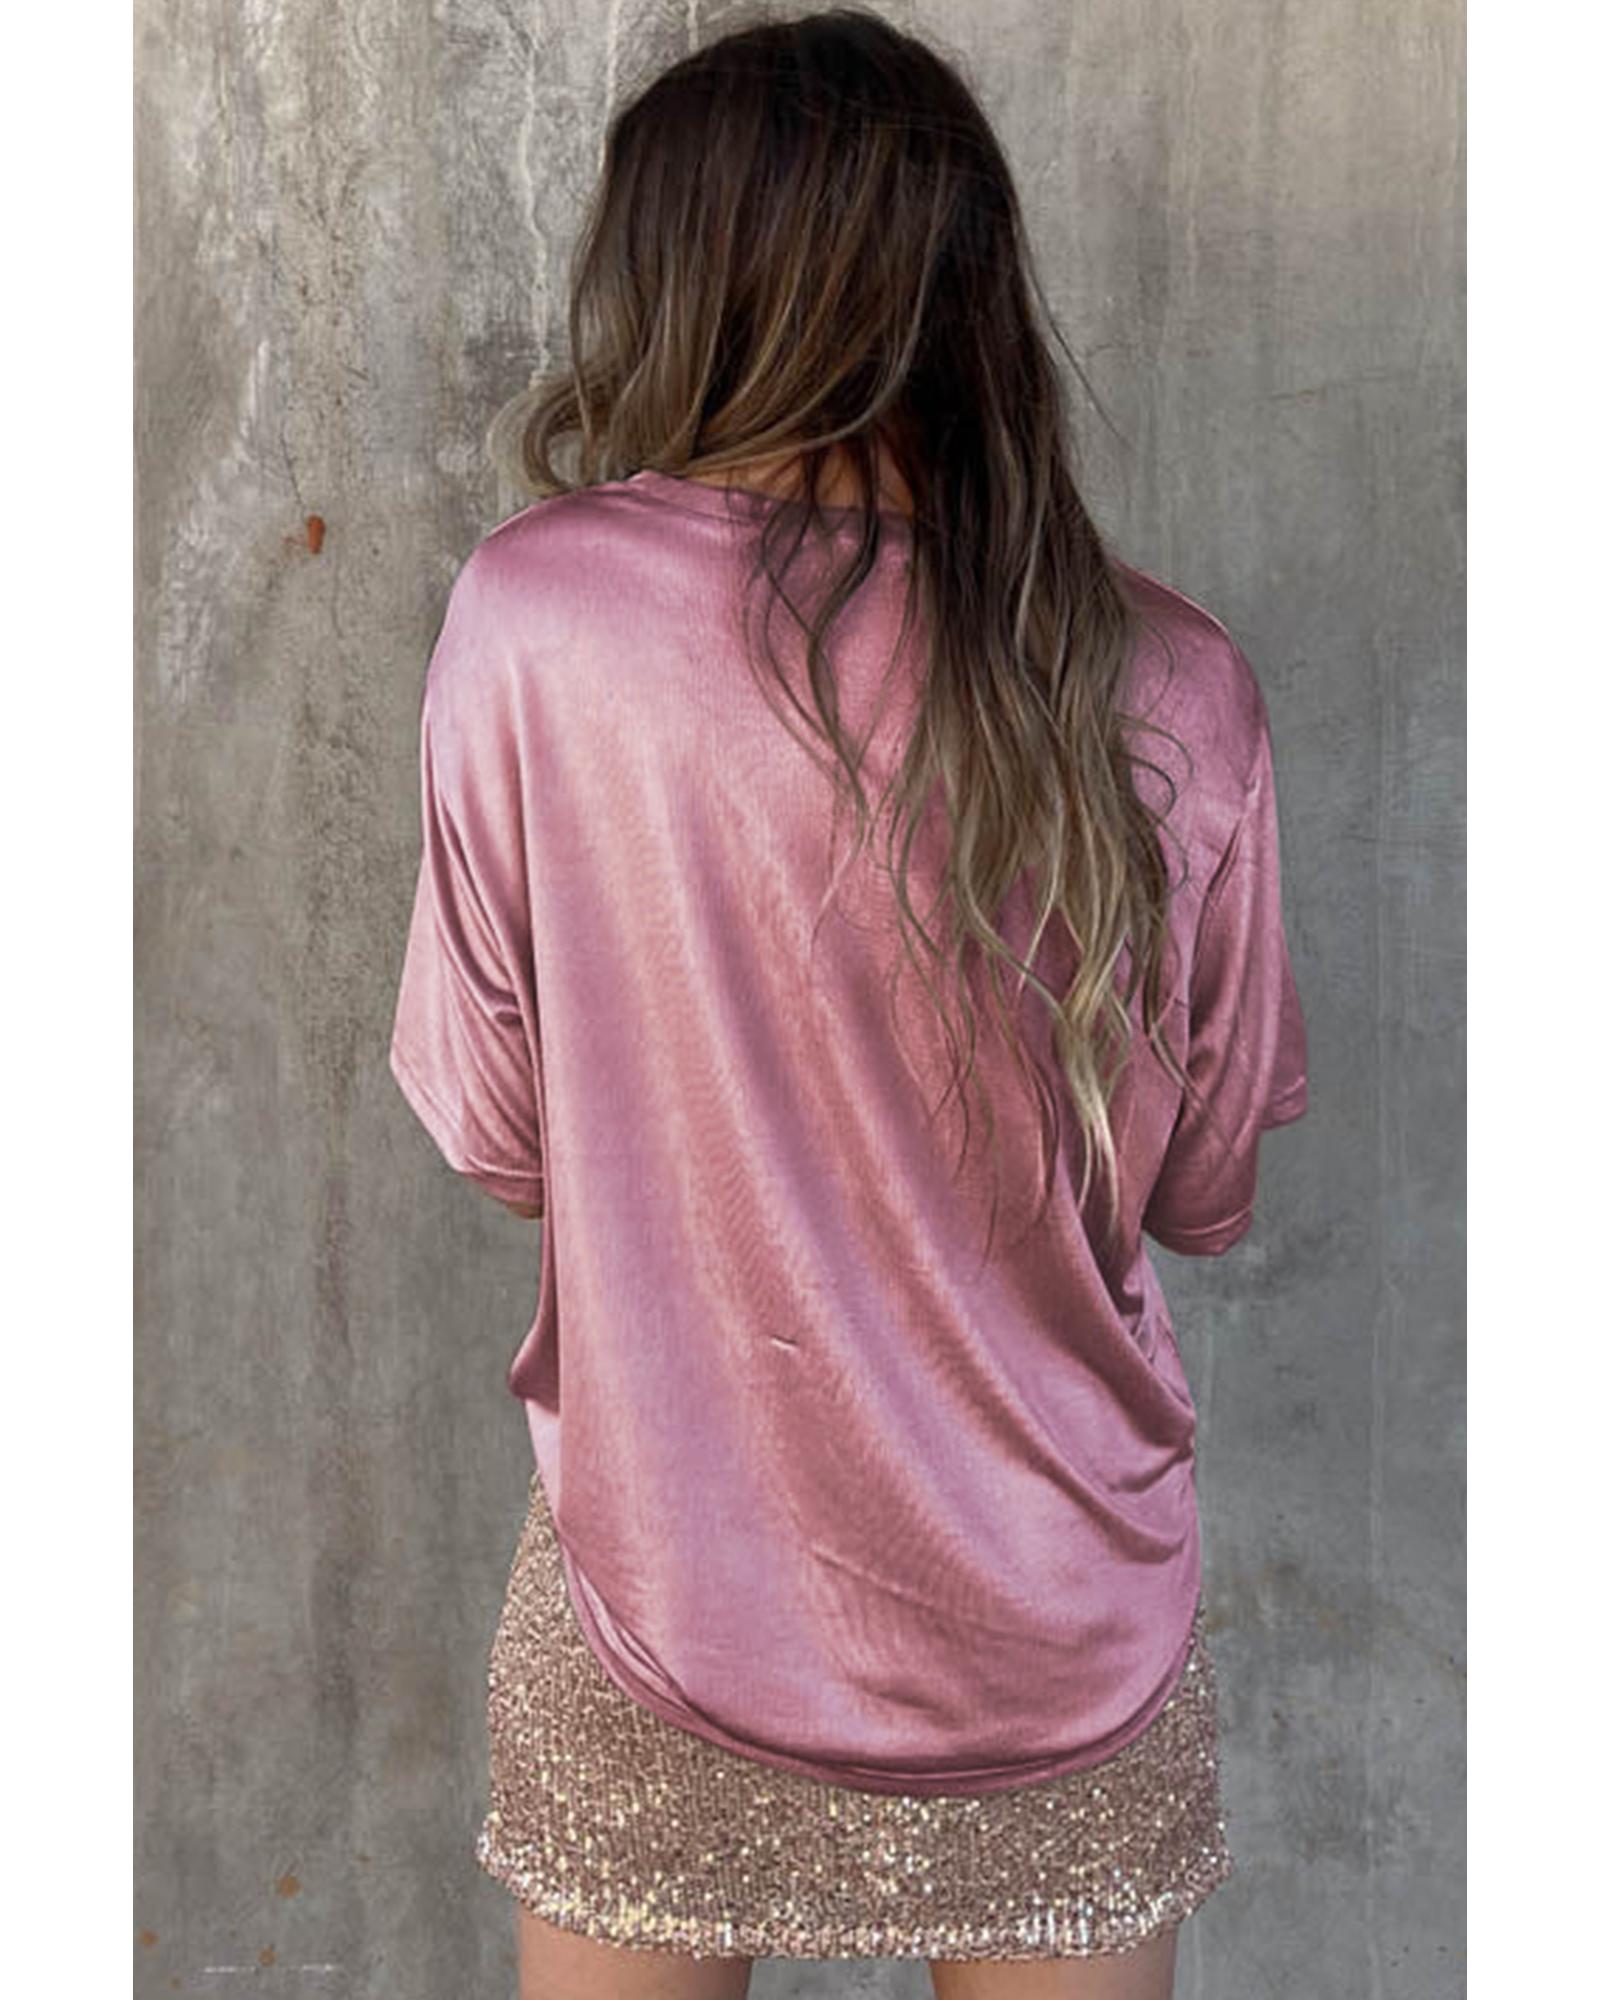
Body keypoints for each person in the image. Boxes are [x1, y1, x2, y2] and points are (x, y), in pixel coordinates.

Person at [387, 9, 1309, 1999]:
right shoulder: (1173, 680)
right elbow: (1203, 1192)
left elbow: (497, 1136)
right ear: (971, 289)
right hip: (1059, 1629)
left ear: (683, 281)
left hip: (664, 1593)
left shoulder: (537, 621)